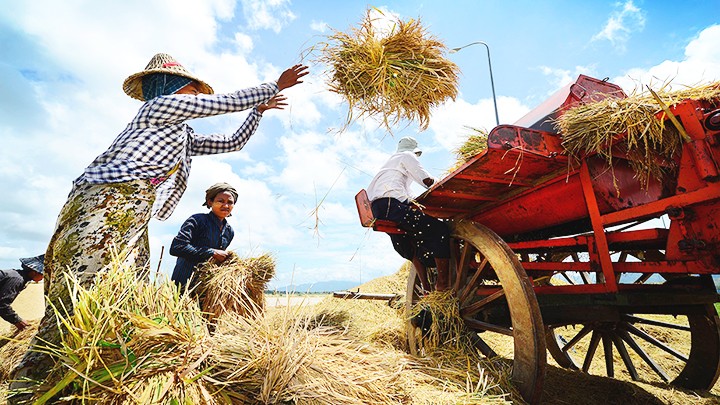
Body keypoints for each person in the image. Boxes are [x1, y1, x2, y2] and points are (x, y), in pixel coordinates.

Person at [9, 53, 308, 402]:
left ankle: (100, 380)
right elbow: (223, 103)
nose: (198, 97)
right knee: (78, 296)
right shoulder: (157, 109)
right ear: (172, 88)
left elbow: (231, 143)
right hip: (106, 201)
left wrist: (257, 113)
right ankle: (29, 387)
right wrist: (273, 85)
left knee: (126, 293)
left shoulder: (183, 135)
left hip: (136, 211)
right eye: (193, 90)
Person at [366, 137, 451, 292]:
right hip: (392, 206)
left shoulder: (389, 165)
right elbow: (426, 180)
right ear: (413, 151)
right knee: (440, 230)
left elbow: (407, 194)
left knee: (411, 246)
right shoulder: (407, 156)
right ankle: (442, 285)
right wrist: (447, 184)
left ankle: (426, 289)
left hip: (380, 210)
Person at [170, 182, 238, 289]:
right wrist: (212, 252)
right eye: (220, 201)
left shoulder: (229, 231)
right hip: (183, 285)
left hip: (207, 288)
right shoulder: (197, 220)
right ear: (210, 202)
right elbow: (177, 247)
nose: (226, 206)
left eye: (230, 202)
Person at [0, 255, 44, 332]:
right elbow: (2, 305)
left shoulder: (17, 276)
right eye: (42, 274)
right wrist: (17, 321)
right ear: (34, 272)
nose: (43, 277)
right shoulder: (17, 279)